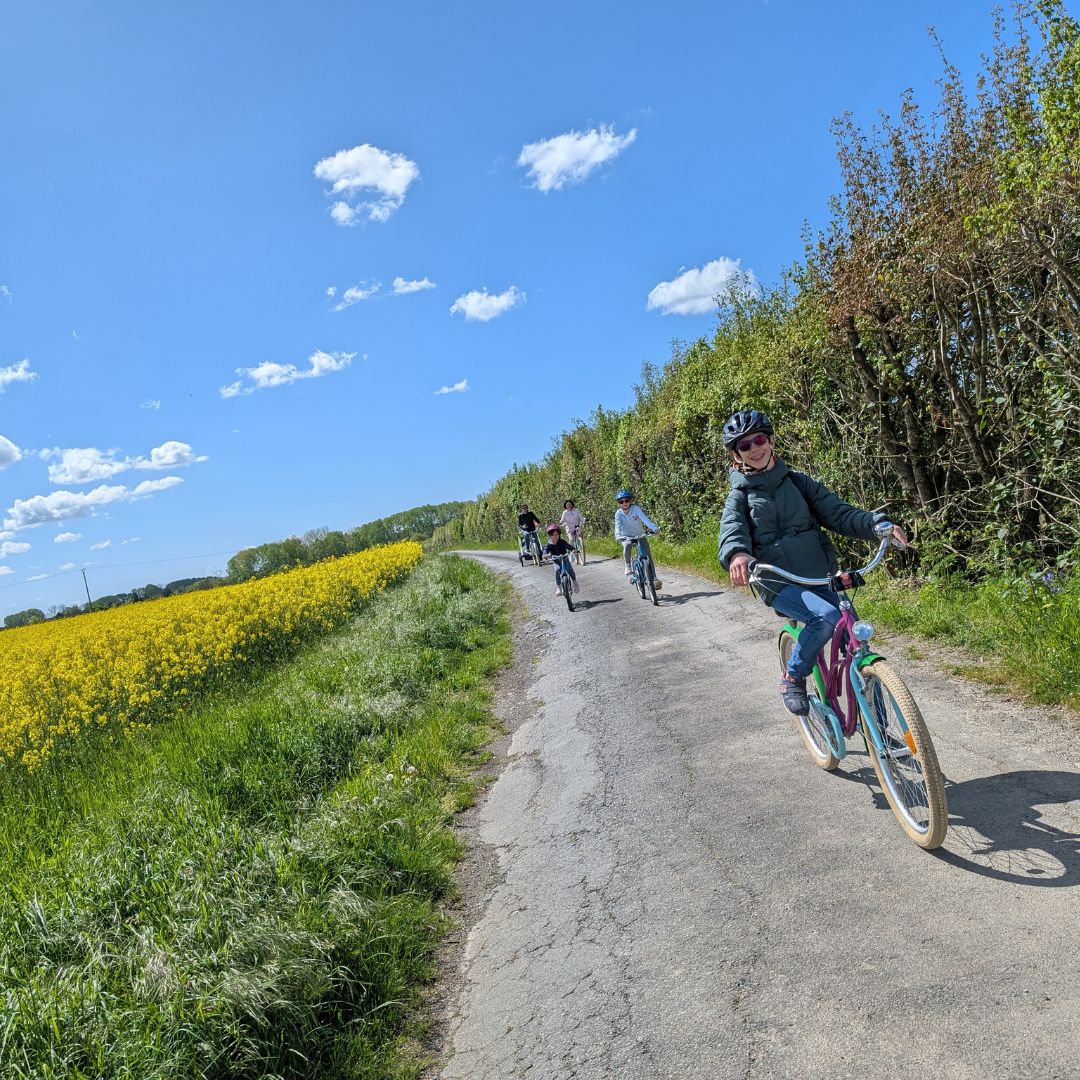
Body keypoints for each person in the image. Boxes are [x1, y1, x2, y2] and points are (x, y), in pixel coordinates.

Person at [717, 409, 909, 716]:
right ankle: (793, 676)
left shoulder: (799, 483)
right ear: (736, 455)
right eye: (745, 445)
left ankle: (882, 732)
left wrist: (876, 524)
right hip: (778, 582)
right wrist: (738, 554)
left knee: (856, 644)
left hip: (820, 575)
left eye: (759, 439)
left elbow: (839, 514)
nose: (754, 448)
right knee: (825, 618)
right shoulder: (739, 497)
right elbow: (732, 532)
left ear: (771, 441)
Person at [613, 489, 661, 588]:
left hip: (640, 535)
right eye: (621, 502)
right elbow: (617, 526)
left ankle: (654, 579)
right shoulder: (618, 513)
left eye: (626, 500)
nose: (624, 503)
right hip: (626, 536)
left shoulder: (636, 509)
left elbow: (645, 519)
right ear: (618, 504)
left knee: (647, 556)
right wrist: (618, 536)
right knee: (627, 545)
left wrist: (654, 528)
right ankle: (627, 565)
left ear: (630, 501)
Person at [542, 524, 579, 594]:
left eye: (556, 534)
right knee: (557, 571)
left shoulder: (562, 542)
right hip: (556, 560)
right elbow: (545, 551)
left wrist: (573, 550)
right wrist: (545, 555)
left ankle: (575, 582)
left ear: (559, 534)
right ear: (550, 536)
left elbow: (569, 546)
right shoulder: (549, 544)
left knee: (570, 570)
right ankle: (559, 586)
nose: (555, 536)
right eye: (553, 535)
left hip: (564, 558)